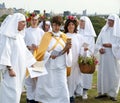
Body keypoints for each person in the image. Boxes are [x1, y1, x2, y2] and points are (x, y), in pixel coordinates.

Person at [34, 15, 72, 103]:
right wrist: (49, 55)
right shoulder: (46, 36)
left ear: (61, 25)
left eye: (58, 25)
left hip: (61, 66)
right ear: (52, 25)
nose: (57, 27)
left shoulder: (64, 36)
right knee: (48, 85)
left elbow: (69, 52)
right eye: (55, 25)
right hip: (49, 65)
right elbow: (41, 51)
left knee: (62, 84)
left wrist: (68, 49)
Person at [0, 13, 36, 103]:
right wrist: (10, 68)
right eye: (22, 22)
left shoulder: (19, 36)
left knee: (17, 92)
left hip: (20, 70)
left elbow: (25, 52)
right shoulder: (8, 36)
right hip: (12, 71)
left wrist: (32, 63)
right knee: (11, 93)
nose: (25, 24)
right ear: (16, 22)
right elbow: (5, 53)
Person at [95, 14, 120, 101]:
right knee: (102, 74)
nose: (109, 22)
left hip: (113, 56)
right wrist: (100, 48)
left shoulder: (118, 31)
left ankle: (113, 94)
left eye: (111, 21)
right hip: (103, 55)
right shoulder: (104, 30)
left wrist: (111, 45)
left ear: (115, 22)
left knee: (113, 74)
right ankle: (102, 92)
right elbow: (98, 42)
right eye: (108, 20)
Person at [24, 12, 44, 103]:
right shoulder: (25, 31)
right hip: (28, 56)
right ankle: (29, 97)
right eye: (32, 20)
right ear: (29, 21)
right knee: (29, 79)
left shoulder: (41, 32)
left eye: (36, 20)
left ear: (38, 21)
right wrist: (29, 47)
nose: (34, 21)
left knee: (37, 78)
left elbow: (44, 45)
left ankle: (36, 97)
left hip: (38, 57)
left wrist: (38, 47)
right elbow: (22, 45)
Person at [64, 16, 84, 103]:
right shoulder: (64, 36)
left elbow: (81, 48)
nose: (71, 26)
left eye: (72, 24)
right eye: (69, 24)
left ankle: (71, 94)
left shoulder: (79, 37)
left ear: (75, 26)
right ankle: (67, 95)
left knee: (74, 79)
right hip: (66, 62)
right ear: (66, 26)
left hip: (75, 62)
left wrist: (84, 51)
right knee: (67, 79)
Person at [76, 16, 96, 99]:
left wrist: (85, 51)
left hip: (86, 57)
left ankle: (84, 91)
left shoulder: (90, 35)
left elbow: (91, 47)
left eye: (82, 21)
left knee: (86, 75)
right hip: (77, 56)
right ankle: (76, 91)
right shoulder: (77, 32)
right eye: (80, 21)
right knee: (76, 75)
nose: (80, 23)